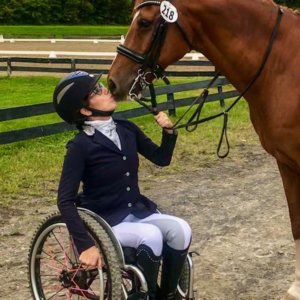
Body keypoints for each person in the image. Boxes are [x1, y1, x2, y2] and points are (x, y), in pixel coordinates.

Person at [53, 70, 192, 300]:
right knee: (152, 236)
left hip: (137, 212)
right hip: (107, 220)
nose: (105, 89)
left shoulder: (126, 129)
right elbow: (64, 200)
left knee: (181, 229)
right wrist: (85, 245)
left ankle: (168, 295)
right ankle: (145, 295)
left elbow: (161, 159)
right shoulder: (80, 146)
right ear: (86, 110)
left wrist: (168, 132)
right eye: (96, 90)